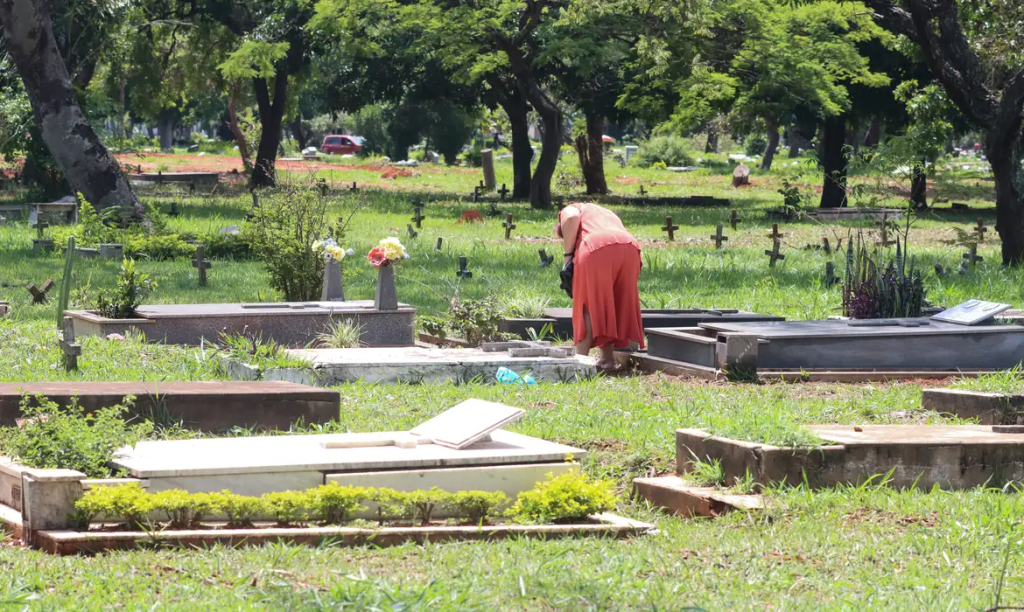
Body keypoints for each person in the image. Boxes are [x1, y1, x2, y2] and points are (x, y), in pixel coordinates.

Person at [555, 203, 644, 371]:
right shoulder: (604, 211)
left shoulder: (572, 208)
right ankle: (607, 359)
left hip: (595, 247)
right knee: (612, 302)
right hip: (630, 247)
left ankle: (580, 362)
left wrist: (567, 258)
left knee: (587, 303)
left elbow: (572, 217)